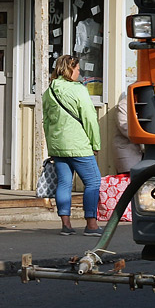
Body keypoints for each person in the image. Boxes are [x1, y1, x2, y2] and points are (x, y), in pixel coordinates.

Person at [41, 55, 102, 236]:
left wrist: (51, 147)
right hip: (78, 144)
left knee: (65, 183)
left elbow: (46, 122)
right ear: (70, 69)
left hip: (58, 145)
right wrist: (95, 142)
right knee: (93, 182)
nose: (79, 72)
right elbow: (90, 118)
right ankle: (91, 224)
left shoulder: (49, 91)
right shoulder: (78, 90)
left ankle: (66, 225)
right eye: (77, 69)